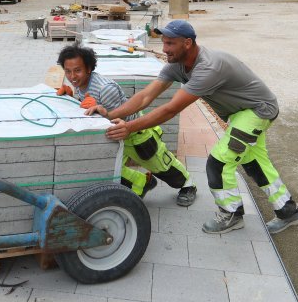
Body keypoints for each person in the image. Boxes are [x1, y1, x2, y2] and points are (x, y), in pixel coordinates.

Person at [91, 20, 298, 235]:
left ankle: (231, 214)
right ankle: (288, 210)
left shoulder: (207, 67)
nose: (165, 49)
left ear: (188, 43)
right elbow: (146, 96)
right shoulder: (177, 65)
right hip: (241, 114)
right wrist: (111, 114)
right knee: (255, 162)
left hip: (258, 111)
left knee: (219, 163)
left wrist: (129, 127)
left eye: (170, 43)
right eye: (164, 43)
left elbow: (170, 110)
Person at [56, 45, 197, 205]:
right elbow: (91, 109)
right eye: (68, 71)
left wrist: (99, 111)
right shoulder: (80, 85)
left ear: (88, 68)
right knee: (109, 168)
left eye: (77, 70)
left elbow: (120, 115)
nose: (73, 76)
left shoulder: (105, 89)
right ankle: (142, 182)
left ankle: (188, 185)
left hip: (136, 133)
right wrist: (71, 98)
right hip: (115, 134)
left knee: (160, 165)